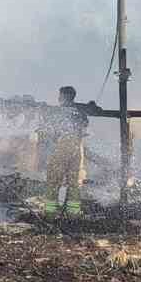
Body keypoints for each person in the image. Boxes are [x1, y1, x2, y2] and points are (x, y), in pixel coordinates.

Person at [41, 86, 97, 215]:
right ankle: (73, 213)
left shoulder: (58, 112)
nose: (58, 98)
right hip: (77, 147)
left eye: (60, 95)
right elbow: (85, 124)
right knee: (74, 182)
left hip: (63, 146)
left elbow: (50, 130)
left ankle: (50, 213)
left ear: (64, 96)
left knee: (53, 180)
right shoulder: (80, 111)